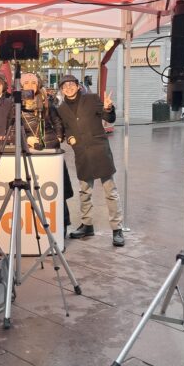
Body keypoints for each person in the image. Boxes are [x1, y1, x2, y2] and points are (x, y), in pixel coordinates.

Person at [55, 75, 125, 247]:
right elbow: (65, 130)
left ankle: (117, 229)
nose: (68, 88)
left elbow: (109, 119)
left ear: (78, 86)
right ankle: (87, 225)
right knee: (84, 191)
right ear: (61, 90)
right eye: (65, 86)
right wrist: (70, 138)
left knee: (110, 191)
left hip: (99, 150)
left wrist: (108, 108)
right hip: (82, 154)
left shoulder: (92, 99)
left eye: (71, 84)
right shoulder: (61, 108)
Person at [20, 72, 73, 231]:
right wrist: (25, 139)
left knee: (55, 187)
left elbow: (56, 120)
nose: (30, 85)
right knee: (36, 189)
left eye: (33, 82)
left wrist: (58, 137)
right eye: (26, 82)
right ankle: (34, 223)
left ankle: (61, 224)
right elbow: (13, 125)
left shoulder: (47, 100)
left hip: (50, 147)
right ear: (21, 85)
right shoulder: (16, 103)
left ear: (38, 85)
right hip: (30, 148)